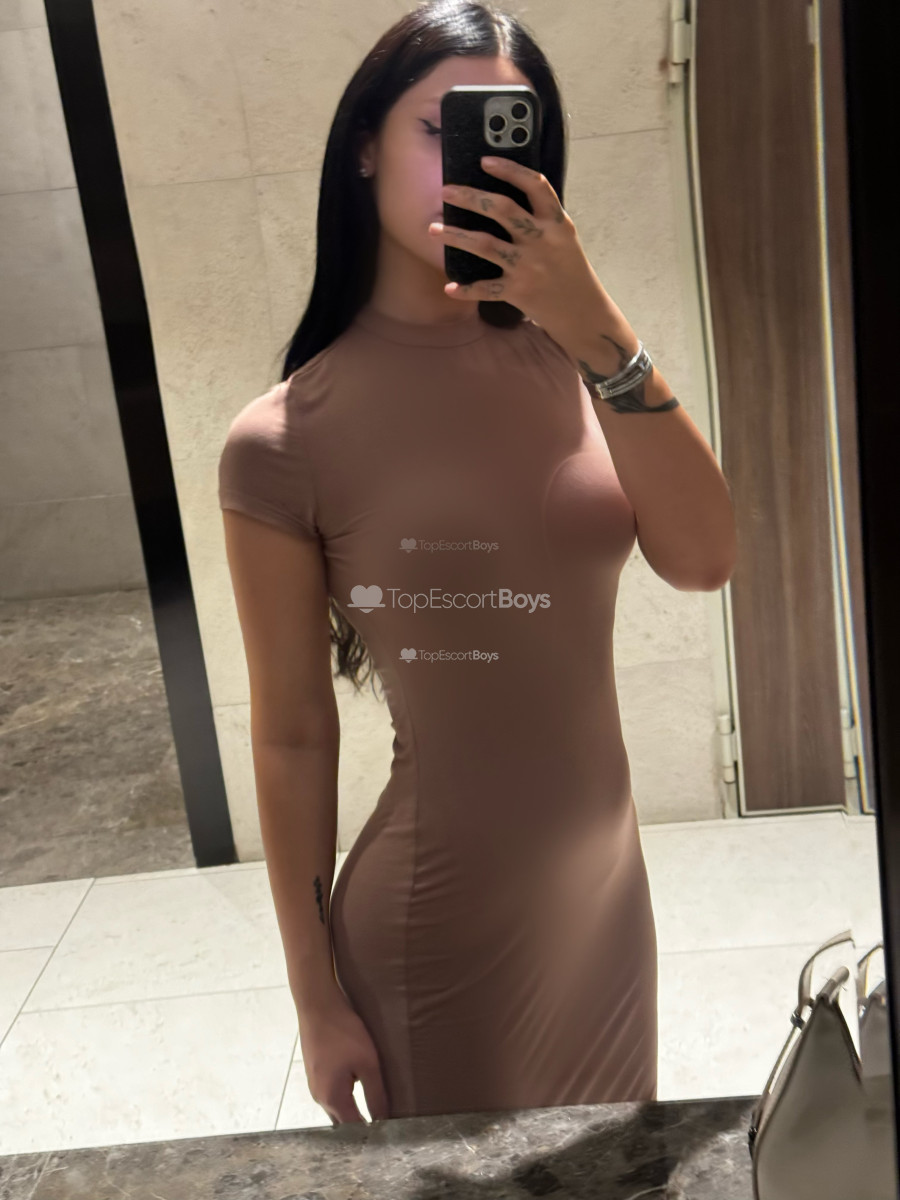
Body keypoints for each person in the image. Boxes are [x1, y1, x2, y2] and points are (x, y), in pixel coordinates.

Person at [218, 0, 735, 1126]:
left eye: (512, 134)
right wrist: (314, 997)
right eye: (439, 128)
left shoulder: (584, 368)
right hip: (439, 925)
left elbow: (704, 558)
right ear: (363, 146)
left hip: (607, 904)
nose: (478, 165)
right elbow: (294, 733)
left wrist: (597, 324)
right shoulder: (284, 438)